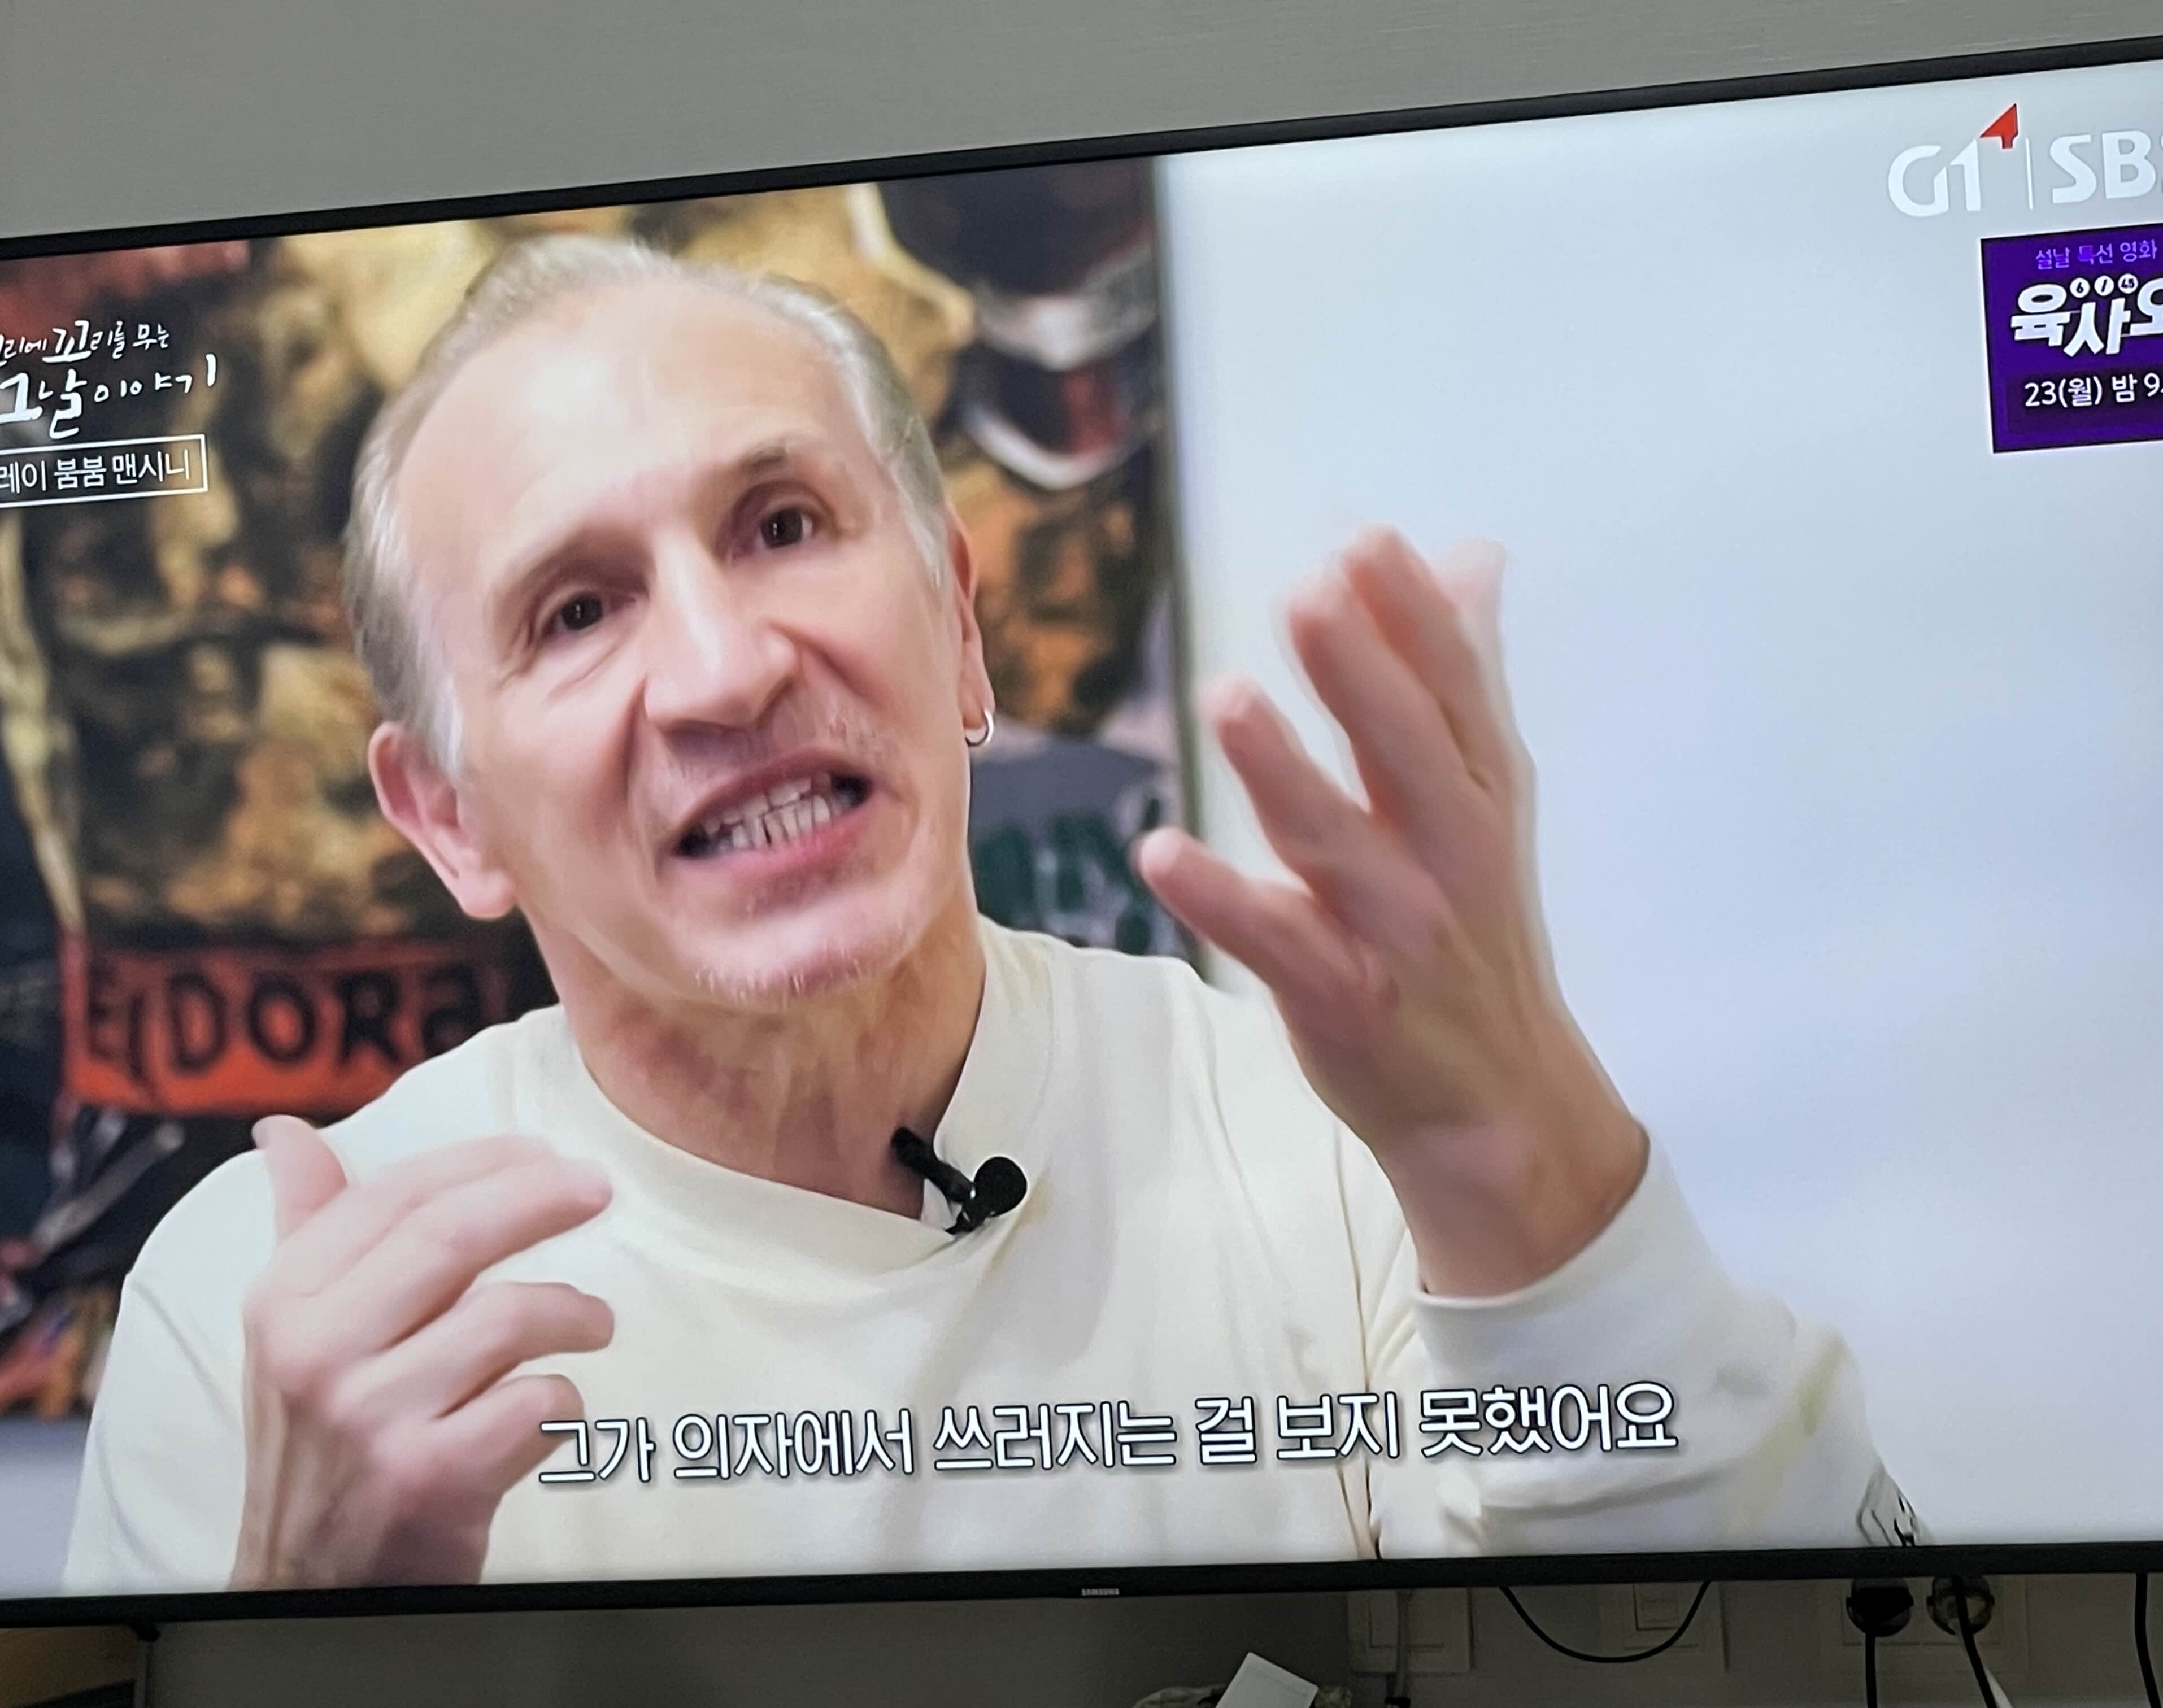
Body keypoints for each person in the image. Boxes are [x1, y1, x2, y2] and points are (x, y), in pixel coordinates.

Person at [64, 236, 1912, 1594]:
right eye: (577, 611)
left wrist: (1524, 1158)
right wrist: (306, 1621)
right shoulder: (269, 1322)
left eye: (784, 525)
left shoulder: (1332, 1151)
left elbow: (1771, 1653)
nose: (723, 669)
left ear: (958, 624)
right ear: (448, 815)